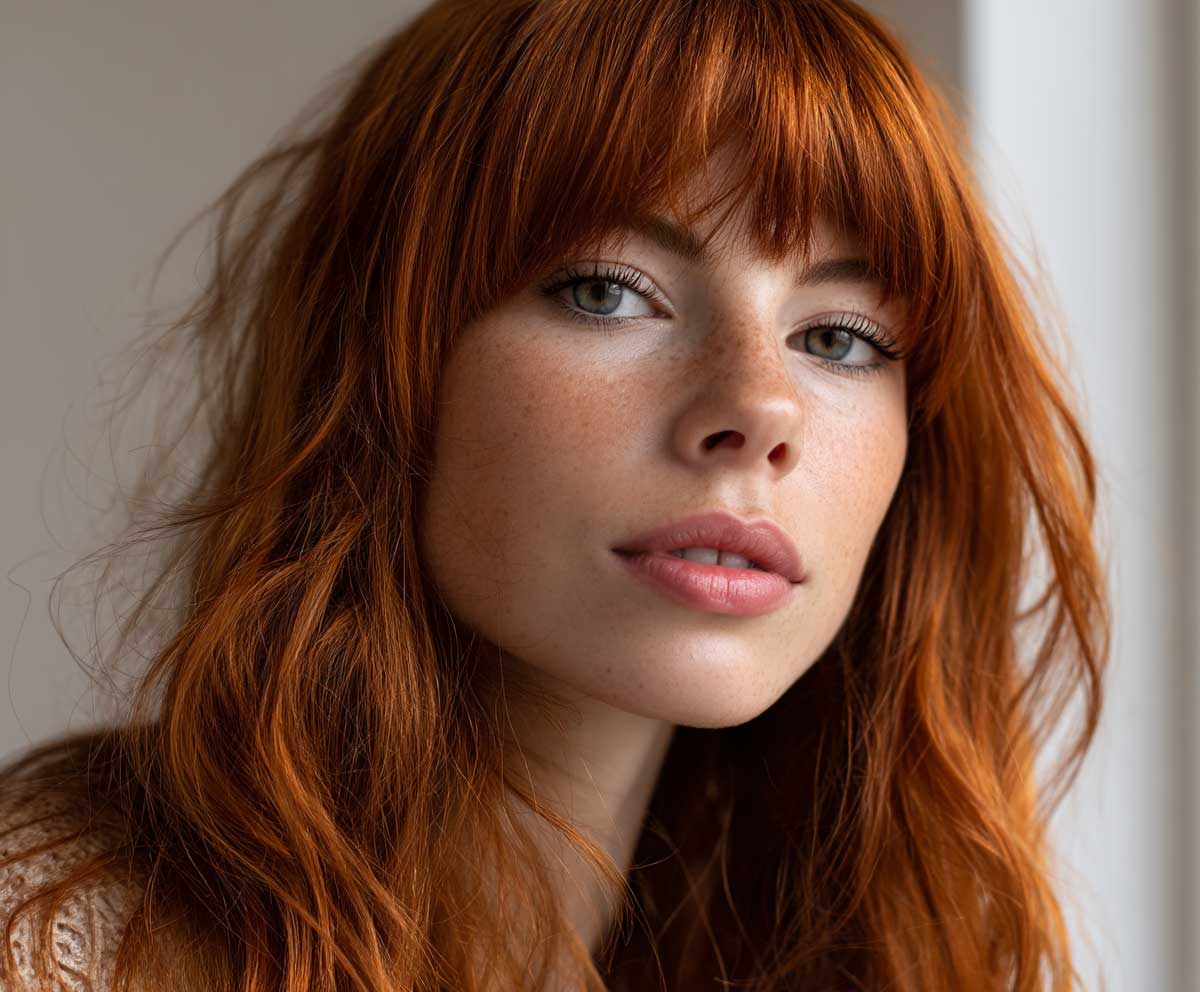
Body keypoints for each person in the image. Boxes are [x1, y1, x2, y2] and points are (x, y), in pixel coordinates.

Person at [0, 0, 1111, 989]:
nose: (759, 408)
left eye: (837, 337)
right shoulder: (58, 942)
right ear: (383, 357)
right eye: (607, 291)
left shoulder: (865, 947)